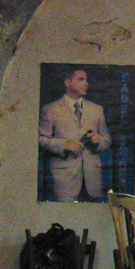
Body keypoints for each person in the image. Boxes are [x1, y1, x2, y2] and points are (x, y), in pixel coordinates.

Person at [38, 67, 111, 202]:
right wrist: (64, 145)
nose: (86, 83)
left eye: (86, 80)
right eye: (80, 79)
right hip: (64, 179)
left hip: (93, 179)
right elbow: (40, 139)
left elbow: (106, 140)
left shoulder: (97, 109)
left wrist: (98, 140)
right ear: (68, 82)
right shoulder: (50, 109)